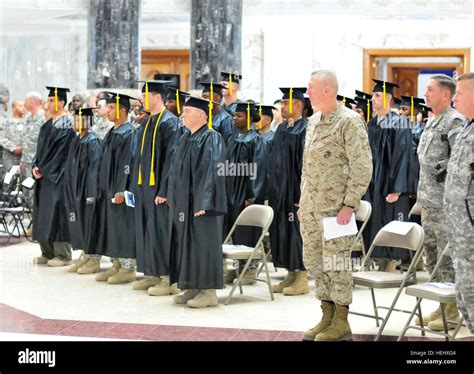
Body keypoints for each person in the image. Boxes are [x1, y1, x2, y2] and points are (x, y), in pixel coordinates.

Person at [301, 70, 372, 341]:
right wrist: (302, 201)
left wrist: (350, 204)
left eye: (310, 88)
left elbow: (362, 166)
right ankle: (326, 316)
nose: (307, 93)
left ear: (327, 89)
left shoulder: (349, 122)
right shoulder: (313, 121)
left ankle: (341, 320)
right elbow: (307, 168)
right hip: (311, 208)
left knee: (336, 263)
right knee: (316, 263)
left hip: (336, 211)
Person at [168, 96, 227, 308]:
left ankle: (208, 292)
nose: (182, 115)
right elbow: (175, 172)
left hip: (202, 207)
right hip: (184, 205)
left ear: (201, 115)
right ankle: (191, 285)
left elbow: (213, 171)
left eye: (187, 112)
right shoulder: (185, 138)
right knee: (187, 245)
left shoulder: (211, 138)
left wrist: (204, 202)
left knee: (203, 245)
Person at [417, 74, 464, 329]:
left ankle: (454, 310)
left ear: (446, 95)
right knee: (432, 260)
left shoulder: (454, 122)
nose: (426, 93)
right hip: (429, 203)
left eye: (430, 90)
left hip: (446, 205)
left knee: (448, 259)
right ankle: (442, 305)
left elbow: (461, 160)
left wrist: (438, 167)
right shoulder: (432, 121)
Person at [131, 80, 181, 296]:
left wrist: (164, 190)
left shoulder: (169, 123)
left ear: (156, 97)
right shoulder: (147, 123)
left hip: (159, 189)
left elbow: (172, 160)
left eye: (145, 95)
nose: (142, 100)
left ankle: (168, 279)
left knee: (161, 232)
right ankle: (151, 272)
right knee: (146, 230)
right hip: (144, 187)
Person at [363, 79, 413, 272]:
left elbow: (403, 157)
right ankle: (378, 257)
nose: (373, 99)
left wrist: (397, 188)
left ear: (388, 98)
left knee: (390, 218)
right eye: (373, 95)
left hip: (390, 182)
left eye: (377, 95)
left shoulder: (399, 123)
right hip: (373, 182)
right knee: (375, 218)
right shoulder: (371, 124)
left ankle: (391, 261)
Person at [93, 91, 138, 284]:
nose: (108, 111)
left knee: (124, 226)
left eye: (111, 108)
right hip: (108, 188)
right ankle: (116, 264)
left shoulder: (129, 132)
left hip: (120, 189)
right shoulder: (112, 131)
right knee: (112, 226)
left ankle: (128, 268)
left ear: (122, 110)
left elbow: (128, 164)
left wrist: (122, 189)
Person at [268, 87, 309, 295]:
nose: (282, 107)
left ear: (299, 106)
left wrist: (303, 195)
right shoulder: (282, 129)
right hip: (280, 193)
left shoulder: (305, 130)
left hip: (295, 193)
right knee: (282, 232)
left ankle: (302, 276)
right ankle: (290, 273)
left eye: (286, 103)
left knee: (296, 234)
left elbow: (307, 166)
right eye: (282, 103)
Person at [223, 102, 267, 285]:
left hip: (246, 194)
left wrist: (252, 195)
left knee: (247, 231)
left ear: (248, 118)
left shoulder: (255, 140)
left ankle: (249, 270)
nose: (234, 118)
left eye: (239, 116)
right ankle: (237, 267)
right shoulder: (233, 138)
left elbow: (259, 168)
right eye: (234, 116)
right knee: (234, 230)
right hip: (231, 191)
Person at [32, 86, 76, 266]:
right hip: (43, 176)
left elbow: (62, 155)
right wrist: (35, 165)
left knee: (58, 212)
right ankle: (47, 251)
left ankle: (62, 255)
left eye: (51, 100)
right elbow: (39, 151)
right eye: (48, 100)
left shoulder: (67, 125)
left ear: (61, 102)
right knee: (43, 212)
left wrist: (44, 169)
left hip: (59, 177)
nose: (48, 103)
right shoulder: (47, 125)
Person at [444, 72, 474, 333]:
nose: (455, 98)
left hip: (471, 234)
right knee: (465, 298)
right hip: (460, 234)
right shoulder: (467, 127)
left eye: (460, 93)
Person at [64, 107, 102, 274]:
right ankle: (85, 254)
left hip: (86, 190)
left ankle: (94, 259)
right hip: (76, 189)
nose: (75, 123)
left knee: (90, 223)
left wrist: (92, 193)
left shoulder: (92, 141)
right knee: (80, 223)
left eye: (78, 120)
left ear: (88, 122)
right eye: (74, 119)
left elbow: (95, 169)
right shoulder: (77, 139)